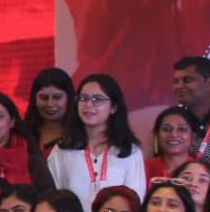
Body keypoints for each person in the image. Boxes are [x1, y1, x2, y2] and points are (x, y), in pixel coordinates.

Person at [48, 73, 147, 203]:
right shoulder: (62, 151)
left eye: (97, 99)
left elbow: (135, 202)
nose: (89, 104)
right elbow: (53, 200)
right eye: (83, 98)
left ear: (114, 107)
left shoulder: (130, 152)